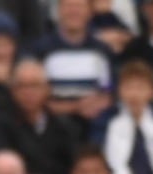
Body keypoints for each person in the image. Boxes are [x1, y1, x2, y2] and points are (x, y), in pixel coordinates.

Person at [0, 58, 78, 174]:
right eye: (22, 86)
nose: (28, 92)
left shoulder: (63, 125)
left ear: (46, 89)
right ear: (13, 91)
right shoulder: (1, 125)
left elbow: (73, 166)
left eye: (34, 86)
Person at [32, 0, 116, 131]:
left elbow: (109, 93)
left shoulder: (102, 51)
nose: (74, 11)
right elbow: (37, 100)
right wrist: (75, 107)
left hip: (94, 126)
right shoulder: (41, 50)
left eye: (79, 6)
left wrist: (96, 104)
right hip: (54, 128)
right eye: (68, 6)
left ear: (89, 12)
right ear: (58, 11)